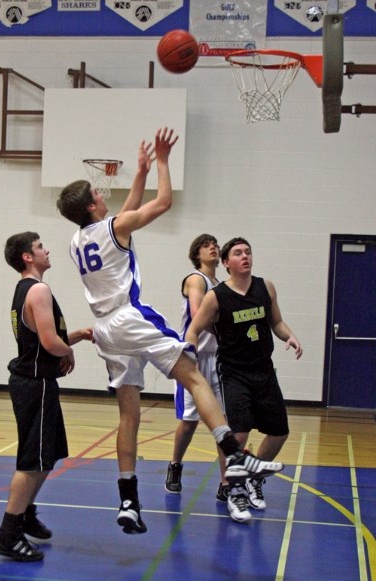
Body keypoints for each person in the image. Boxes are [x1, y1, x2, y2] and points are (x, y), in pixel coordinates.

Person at [57, 128, 284, 535]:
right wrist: (161, 161)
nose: (102, 193)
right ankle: (234, 455)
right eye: (97, 191)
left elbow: (124, 216)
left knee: (129, 414)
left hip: (106, 331)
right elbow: (162, 203)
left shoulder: (78, 239)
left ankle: (128, 500)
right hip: (129, 316)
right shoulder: (113, 228)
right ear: (92, 204)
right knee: (195, 376)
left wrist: (139, 171)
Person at [0, 232, 93, 562]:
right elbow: (50, 343)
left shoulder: (26, 291)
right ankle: (7, 533)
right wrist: (69, 352)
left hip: (34, 381)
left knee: (46, 456)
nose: (46, 249)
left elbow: (45, 339)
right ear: (27, 258)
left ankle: (25, 513)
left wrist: (79, 335)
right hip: (36, 384)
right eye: (39, 247)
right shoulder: (38, 289)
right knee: (33, 460)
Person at [185, 237, 303, 523]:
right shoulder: (217, 296)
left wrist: (290, 336)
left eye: (248, 251)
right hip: (234, 371)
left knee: (279, 431)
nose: (245, 256)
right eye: (237, 253)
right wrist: (190, 357)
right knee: (237, 434)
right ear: (227, 263)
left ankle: (254, 478)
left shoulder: (266, 287)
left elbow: (276, 322)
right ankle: (233, 491)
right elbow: (194, 329)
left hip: (264, 369)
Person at [165, 233, 229, 504]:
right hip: (194, 358)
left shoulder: (222, 285)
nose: (212, 247)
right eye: (206, 245)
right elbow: (198, 313)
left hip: (220, 359)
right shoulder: (195, 279)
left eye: (215, 244)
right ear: (196, 253)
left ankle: (227, 482)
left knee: (223, 423)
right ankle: (175, 464)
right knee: (189, 422)